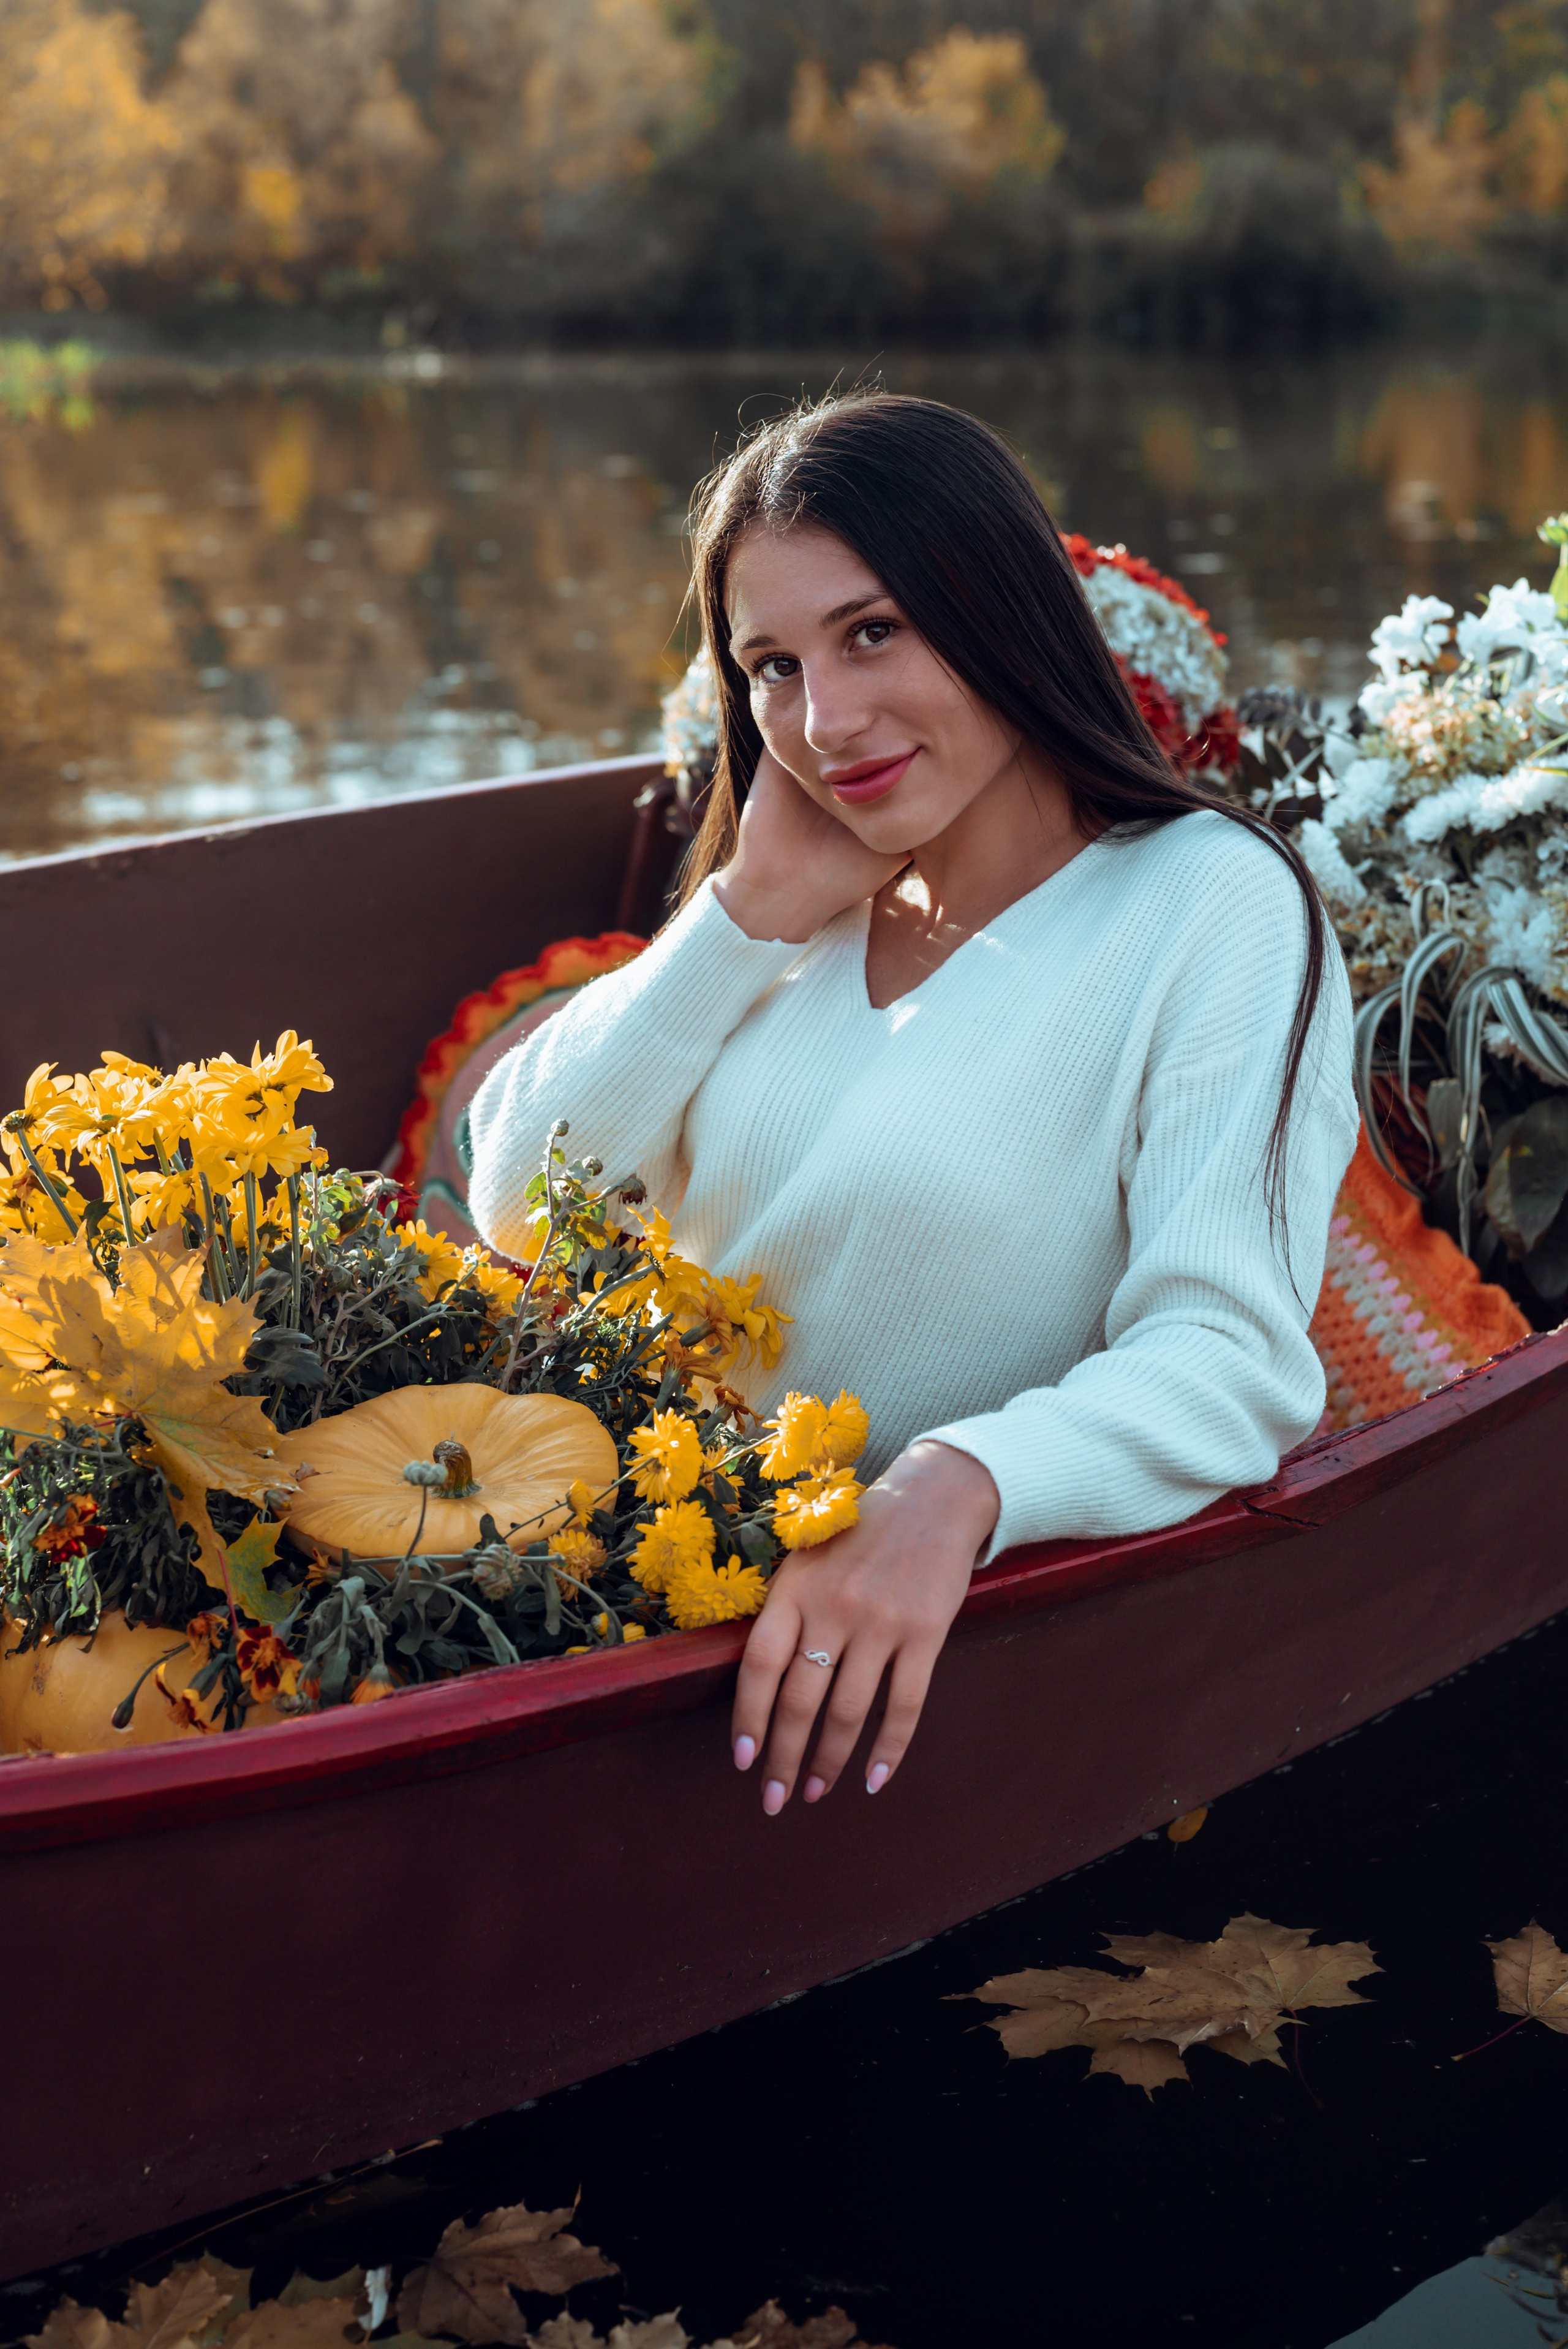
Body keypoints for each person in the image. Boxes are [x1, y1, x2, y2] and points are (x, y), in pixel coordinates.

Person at [468, 392, 1358, 1818]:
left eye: (871, 631)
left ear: (997, 608)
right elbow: (516, 1190)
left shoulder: (1206, 906)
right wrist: (741, 913)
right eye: (770, 665)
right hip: (619, 1591)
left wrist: (953, 1488)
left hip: (876, 1666)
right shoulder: (784, 907)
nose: (823, 722)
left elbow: (1229, 1355)